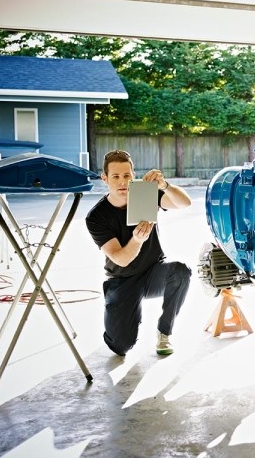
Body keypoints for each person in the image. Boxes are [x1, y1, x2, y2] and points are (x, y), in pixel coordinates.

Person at [85, 150, 192, 356]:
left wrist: (165, 186)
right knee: (121, 347)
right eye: (115, 176)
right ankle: (122, 310)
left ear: (133, 175)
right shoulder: (97, 217)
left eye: (127, 175)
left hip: (153, 272)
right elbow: (121, 259)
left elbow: (184, 203)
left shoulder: (144, 194)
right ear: (105, 179)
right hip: (122, 279)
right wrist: (137, 240)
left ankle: (164, 333)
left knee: (181, 271)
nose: (122, 181)